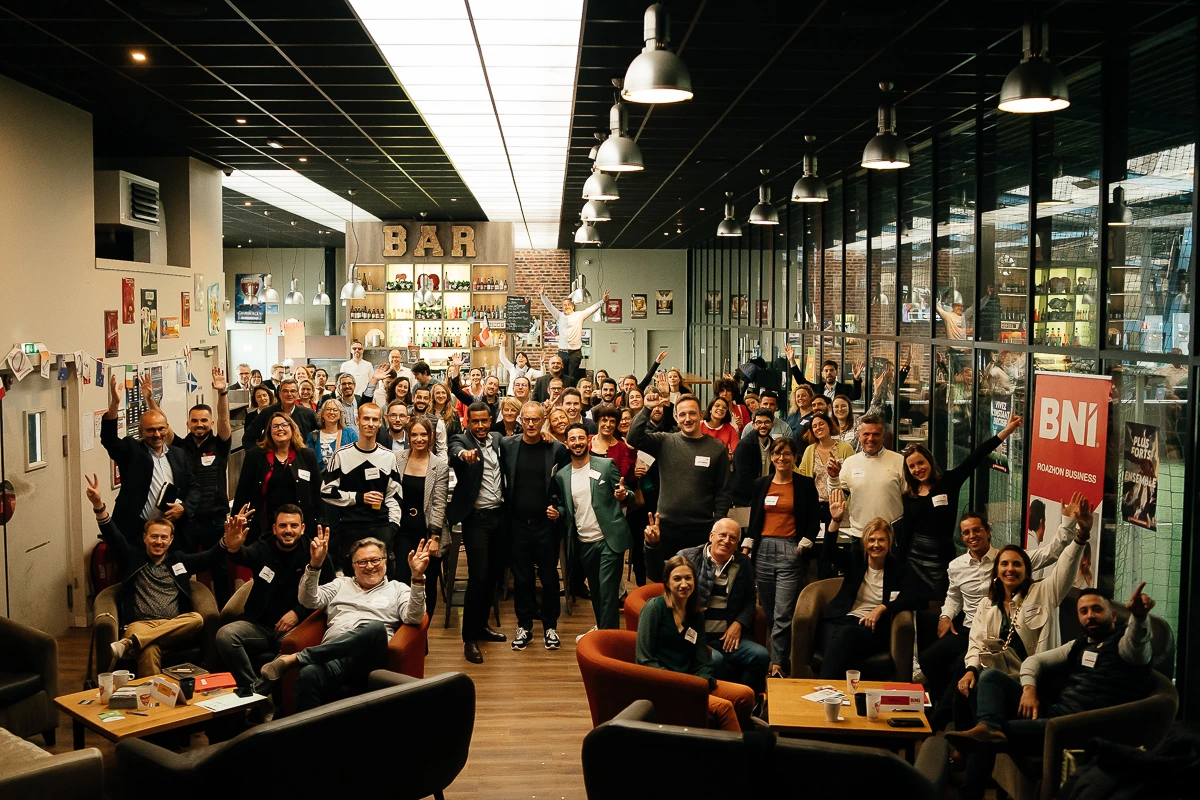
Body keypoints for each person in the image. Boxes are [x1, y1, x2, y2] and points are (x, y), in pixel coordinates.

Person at [947, 584, 1156, 800]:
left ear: (1113, 615)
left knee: (988, 739)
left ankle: (969, 791)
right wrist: (1029, 689)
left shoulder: (1124, 644)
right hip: (1056, 713)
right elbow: (1034, 661)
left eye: (1097, 609)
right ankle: (988, 726)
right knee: (989, 677)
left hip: (1078, 727)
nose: (1090, 616)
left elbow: (1137, 644)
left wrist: (1139, 618)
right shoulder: (1081, 643)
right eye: (1083, 612)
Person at [921, 508, 1074, 730]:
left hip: (1000, 645)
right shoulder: (957, 566)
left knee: (962, 672)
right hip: (972, 630)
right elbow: (953, 596)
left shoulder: (1010, 557)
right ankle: (940, 711)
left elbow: (1051, 553)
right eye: (966, 533)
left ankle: (940, 722)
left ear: (988, 532)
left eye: (977, 530)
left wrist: (1071, 528)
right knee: (928, 658)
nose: (972, 536)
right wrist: (946, 615)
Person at [259, 531, 431, 712]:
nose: (370, 566)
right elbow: (308, 600)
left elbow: (414, 617)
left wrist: (417, 578)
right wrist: (315, 565)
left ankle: (299, 658)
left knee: (374, 628)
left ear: (385, 562)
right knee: (308, 674)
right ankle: (307, 737)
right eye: (362, 562)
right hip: (331, 656)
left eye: (375, 560)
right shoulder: (340, 584)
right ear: (354, 566)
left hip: (367, 659)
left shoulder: (398, 589)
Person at [86, 474, 231, 676]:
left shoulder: (178, 561)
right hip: (139, 624)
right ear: (145, 538)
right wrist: (99, 506)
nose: (158, 542)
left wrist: (227, 541)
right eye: (154, 536)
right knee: (149, 648)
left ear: (171, 540)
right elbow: (114, 536)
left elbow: (208, 557)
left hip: (174, 625)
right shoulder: (132, 558)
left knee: (197, 619)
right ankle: (155, 700)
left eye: (164, 537)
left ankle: (130, 643)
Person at [895, 416, 1022, 607]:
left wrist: (1006, 432)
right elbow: (906, 531)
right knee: (915, 604)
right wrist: (899, 563)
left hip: (942, 556)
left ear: (929, 461)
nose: (917, 469)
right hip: (915, 559)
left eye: (920, 463)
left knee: (942, 601)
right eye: (911, 466)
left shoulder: (948, 482)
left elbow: (976, 457)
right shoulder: (909, 496)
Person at [216, 504, 334, 700]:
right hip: (260, 625)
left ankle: (255, 695)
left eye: (294, 525)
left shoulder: (316, 552)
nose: (288, 530)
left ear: (303, 528)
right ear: (274, 528)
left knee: (293, 647)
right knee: (225, 635)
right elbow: (244, 556)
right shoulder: (264, 547)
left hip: (295, 628)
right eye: (283, 525)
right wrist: (234, 547)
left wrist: (298, 612)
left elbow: (330, 592)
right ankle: (255, 694)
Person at [635, 554, 756, 732]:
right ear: (667, 582)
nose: (684, 584)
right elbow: (644, 659)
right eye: (677, 579)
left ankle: (733, 740)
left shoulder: (696, 612)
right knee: (724, 707)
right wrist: (684, 684)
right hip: (664, 685)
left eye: (688, 578)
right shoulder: (654, 608)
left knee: (747, 694)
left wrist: (701, 681)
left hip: (693, 681)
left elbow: (703, 657)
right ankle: (739, 755)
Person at [152, 367, 234, 606]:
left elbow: (225, 420)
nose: (200, 424)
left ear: (210, 423)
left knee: (219, 568)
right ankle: (185, 609)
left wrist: (222, 393)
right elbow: (162, 425)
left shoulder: (220, 445)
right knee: (182, 567)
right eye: (195, 420)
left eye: (204, 420)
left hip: (215, 517)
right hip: (186, 517)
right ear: (188, 423)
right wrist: (149, 399)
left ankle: (223, 612)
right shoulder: (178, 447)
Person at [629, 393, 732, 581]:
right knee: (667, 582)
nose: (687, 419)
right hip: (668, 528)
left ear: (701, 415)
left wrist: (717, 527)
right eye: (682, 414)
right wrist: (646, 409)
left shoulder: (716, 448)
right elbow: (634, 438)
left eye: (692, 413)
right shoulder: (664, 441)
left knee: (700, 584)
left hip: (702, 530)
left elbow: (723, 491)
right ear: (676, 418)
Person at [743, 438, 820, 677]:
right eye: (777, 454)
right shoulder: (761, 483)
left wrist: (804, 543)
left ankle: (777, 663)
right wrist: (749, 544)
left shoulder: (805, 484)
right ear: (772, 457)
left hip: (790, 549)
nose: (782, 458)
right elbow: (755, 517)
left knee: (783, 612)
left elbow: (814, 520)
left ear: (795, 457)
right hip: (764, 549)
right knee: (768, 609)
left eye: (787, 454)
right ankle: (777, 654)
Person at [817, 495, 913, 679]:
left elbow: (915, 596)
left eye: (881, 540)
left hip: (872, 627)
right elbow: (828, 553)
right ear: (865, 543)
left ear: (889, 542)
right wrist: (835, 521)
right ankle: (843, 696)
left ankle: (825, 692)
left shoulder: (897, 568)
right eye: (871, 540)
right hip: (841, 619)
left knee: (844, 638)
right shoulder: (856, 560)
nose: (876, 545)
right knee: (835, 642)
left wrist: (882, 608)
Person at [500, 402, 571, 651]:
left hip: (546, 526)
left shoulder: (557, 448)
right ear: (520, 420)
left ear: (543, 421)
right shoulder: (507, 446)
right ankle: (524, 626)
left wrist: (558, 509)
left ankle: (550, 627)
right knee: (522, 579)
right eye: (527, 419)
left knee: (550, 578)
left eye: (535, 420)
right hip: (517, 524)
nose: (531, 424)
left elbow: (565, 486)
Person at [554, 422, 631, 643]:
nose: (577, 443)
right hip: (584, 542)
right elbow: (566, 506)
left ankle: (609, 643)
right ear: (566, 444)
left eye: (581, 438)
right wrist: (556, 511)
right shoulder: (562, 475)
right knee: (596, 592)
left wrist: (623, 496)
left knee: (608, 593)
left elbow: (629, 494)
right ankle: (604, 630)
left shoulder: (606, 465)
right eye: (572, 439)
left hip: (609, 539)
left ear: (587, 441)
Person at [676, 518, 770, 696]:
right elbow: (661, 575)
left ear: (737, 544)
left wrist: (739, 623)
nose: (727, 541)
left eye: (733, 538)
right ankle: (724, 701)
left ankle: (747, 701)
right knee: (715, 660)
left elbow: (750, 600)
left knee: (761, 656)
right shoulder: (688, 557)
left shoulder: (743, 564)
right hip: (697, 638)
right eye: (722, 535)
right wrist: (652, 546)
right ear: (711, 536)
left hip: (729, 638)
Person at [448, 402, 510, 663]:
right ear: (468, 422)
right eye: (476, 422)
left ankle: (482, 626)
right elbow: (455, 452)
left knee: (493, 577)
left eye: (485, 421)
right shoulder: (460, 440)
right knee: (478, 577)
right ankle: (469, 639)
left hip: (499, 516)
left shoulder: (498, 439)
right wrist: (465, 456)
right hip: (476, 520)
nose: (481, 426)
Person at [101, 375, 194, 547]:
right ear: (141, 431)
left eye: (161, 429)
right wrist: (114, 404)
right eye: (151, 430)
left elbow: (194, 488)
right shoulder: (131, 451)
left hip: (171, 531)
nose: (157, 435)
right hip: (137, 532)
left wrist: (185, 508)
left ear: (167, 428)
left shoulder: (178, 455)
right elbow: (109, 440)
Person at [319, 403, 403, 574]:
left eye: (374, 419)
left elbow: (394, 496)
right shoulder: (341, 455)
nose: (370, 423)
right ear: (357, 420)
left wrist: (392, 527)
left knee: (382, 579)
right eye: (366, 418)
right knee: (352, 580)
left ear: (380, 423)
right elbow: (326, 491)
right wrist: (359, 497)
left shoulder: (388, 457)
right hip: (351, 528)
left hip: (381, 527)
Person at [233, 412, 323, 539]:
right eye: (275, 426)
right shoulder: (255, 455)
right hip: (265, 525)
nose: (280, 429)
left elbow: (317, 493)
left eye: (284, 425)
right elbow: (243, 491)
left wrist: (322, 523)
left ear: (292, 428)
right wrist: (234, 522)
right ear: (269, 431)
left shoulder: (307, 455)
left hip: (299, 527)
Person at [394, 417, 449, 615]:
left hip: (426, 533)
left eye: (423, 434)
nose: (419, 439)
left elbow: (438, 503)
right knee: (400, 581)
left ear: (431, 436)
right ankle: (402, 633)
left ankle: (422, 633)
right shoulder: (397, 459)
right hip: (402, 531)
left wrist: (434, 538)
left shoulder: (439, 466)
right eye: (415, 434)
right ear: (408, 437)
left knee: (427, 585)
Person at [826, 414, 905, 539]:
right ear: (859, 435)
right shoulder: (850, 463)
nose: (871, 438)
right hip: (859, 536)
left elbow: (909, 499)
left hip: (891, 537)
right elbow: (838, 500)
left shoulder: (899, 461)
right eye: (866, 434)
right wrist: (833, 478)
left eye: (876, 434)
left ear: (883, 436)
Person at [539, 285, 607, 383]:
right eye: (564, 305)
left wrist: (603, 301)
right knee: (561, 376)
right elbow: (550, 306)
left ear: (573, 306)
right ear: (562, 307)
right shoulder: (559, 316)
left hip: (575, 352)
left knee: (572, 377)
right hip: (562, 352)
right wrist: (542, 295)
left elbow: (591, 309)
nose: (566, 307)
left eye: (568, 305)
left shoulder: (579, 315)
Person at [244, 377, 319, 446]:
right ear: (279, 394)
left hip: (301, 457)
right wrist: (258, 456)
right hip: (273, 457)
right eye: (285, 391)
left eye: (292, 391)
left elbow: (322, 434)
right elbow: (248, 437)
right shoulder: (267, 413)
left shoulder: (309, 414)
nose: (289, 394)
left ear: (297, 394)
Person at [785, 344, 864, 401]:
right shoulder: (817, 389)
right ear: (822, 374)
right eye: (826, 371)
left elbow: (856, 395)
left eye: (831, 370)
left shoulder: (845, 389)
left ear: (837, 372)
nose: (829, 373)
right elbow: (801, 381)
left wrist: (856, 378)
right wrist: (792, 360)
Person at [732, 409, 777, 507]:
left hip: (766, 496)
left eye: (767, 422)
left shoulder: (774, 445)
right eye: (759, 422)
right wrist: (758, 495)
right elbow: (743, 476)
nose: (763, 425)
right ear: (753, 425)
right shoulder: (744, 445)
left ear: (772, 424)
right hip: (745, 499)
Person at [307, 398, 359, 472]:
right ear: (322, 414)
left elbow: (357, 457)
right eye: (328, 409)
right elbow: (309, 462)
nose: (331, 412)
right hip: (321, 480)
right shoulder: (313, 436)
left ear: (340, 414)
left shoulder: (349, 433)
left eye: (335, 410)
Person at [589, 404, 636, 482]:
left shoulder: (622, 447)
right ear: (597, 422)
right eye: (604, 420)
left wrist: (631, 452)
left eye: (612, 421)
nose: (608, 425)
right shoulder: (588, 440)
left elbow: (625, 476)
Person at [449, 354, 500, 419]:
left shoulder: (501, 405)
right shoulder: (477, 401)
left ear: (498, 389)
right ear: (484, 385)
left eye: (495, 385)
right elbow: (456, 390)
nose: (492, 386)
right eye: (490, 383)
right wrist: (456, 367)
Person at [410, 385, 448, 454]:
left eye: (425, 398)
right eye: (419, 397)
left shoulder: (437, 422)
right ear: (413, 398)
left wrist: (440, 464)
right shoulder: (405, 417)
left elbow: (442, 449)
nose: (422, 400)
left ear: (429, 401)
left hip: (429, 462)